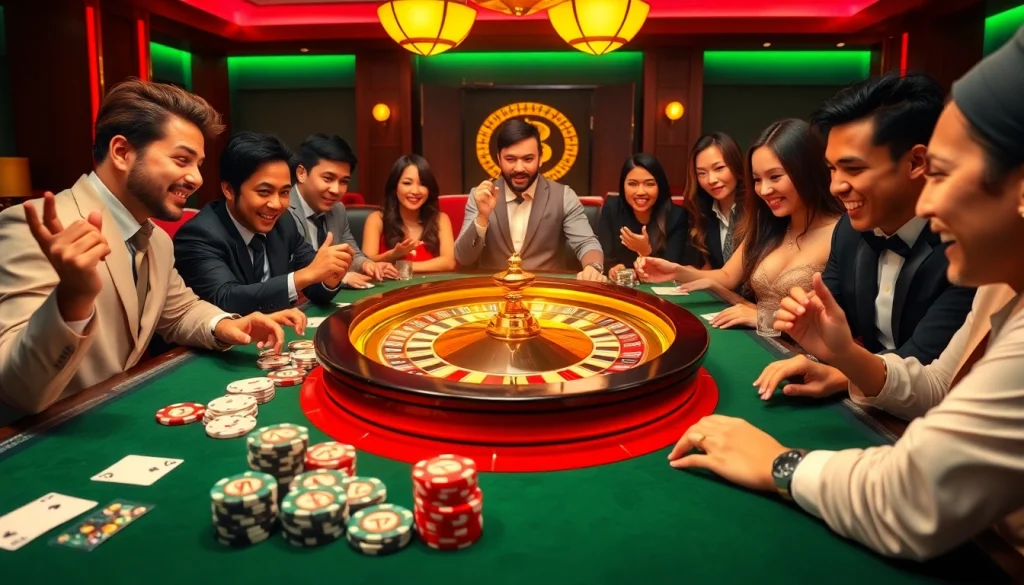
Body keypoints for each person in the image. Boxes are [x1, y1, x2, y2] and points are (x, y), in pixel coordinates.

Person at [667, 26, 1024, 561]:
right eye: (833, 169)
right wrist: (844, 359)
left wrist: (779, 463)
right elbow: (934, 386)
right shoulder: (996, 284)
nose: (928, 206)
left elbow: (912, 497)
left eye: (943, 174)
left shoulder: (976, 267)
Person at [0, 79, 285, 418]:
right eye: (182, 160)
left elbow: (178, 311)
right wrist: (72, 299)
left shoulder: (156, 239)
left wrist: (224, 325)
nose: (195, 178)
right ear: (122, 152)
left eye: (197, 164)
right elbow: (17, 390)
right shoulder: (36, 227)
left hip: (117, 420)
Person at [754, 72, 976, 401]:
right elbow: (828, 318)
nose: (836, 187)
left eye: (853, 169)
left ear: (917, 161)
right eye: (831, 169)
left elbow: (927, 366)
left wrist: (845, 374)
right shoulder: (849, 231)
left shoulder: (969, 248)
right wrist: (808, 332)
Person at [636, 119, 844, 330]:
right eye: (757, 179)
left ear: (807, 170)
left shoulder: (842, 233)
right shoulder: (767, 225)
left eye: (775, 176)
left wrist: (762, 317)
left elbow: (833, 327)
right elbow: (728, 275)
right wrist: (676, 271)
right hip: (761, 342)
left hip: (805, 357)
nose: (764, 190)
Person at [174, 132, 353, 315]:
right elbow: (226, 298)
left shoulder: (284, 222)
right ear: (229, 189)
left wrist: (331, 275)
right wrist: (304, 276)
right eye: (264, 192)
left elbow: (316, 287)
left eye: (284, 193)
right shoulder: (199, 234)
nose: (276, 205)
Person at [454, 120, 604, 280]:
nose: (519, 168)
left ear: (540, 158)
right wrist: (482, 217)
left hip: (546, 293)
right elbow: (463, 258)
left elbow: (586, 242)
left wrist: (593, 267)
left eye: (528, 159)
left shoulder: (564, 196)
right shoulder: (480, 196)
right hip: (494, 293)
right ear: (499, 159)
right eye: (510, 159)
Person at [286, 133, 398, 287]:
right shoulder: (281, 209)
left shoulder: (337, 209)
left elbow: (352, 254)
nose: (336, 190)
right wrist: (341, 278)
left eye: (343, 181)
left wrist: (367, 265)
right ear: (301, 173)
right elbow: (286, 274)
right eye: (328, 178)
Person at [598, 154, 702, 280]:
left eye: (649, 184)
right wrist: (614, 269)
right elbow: (605, 259)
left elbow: (671, 268)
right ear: (623, 186)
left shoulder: (676, 216)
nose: (641, 192)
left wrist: (645, 252)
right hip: (621, 291)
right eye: (632, 184)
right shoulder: (612, 208)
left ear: (660, 186)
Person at [361, 154, 456, 273]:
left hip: (431, 289)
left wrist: (405, 266)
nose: (415, 191)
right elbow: (365, 263)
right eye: (407, 183)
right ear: (395, 187)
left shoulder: (440, 219)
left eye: (422, 184)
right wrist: (393, 255)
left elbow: (449, 262)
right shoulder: (377, 219)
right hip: (388, 290)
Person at [682, 132, 746, 269]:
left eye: (719, 168)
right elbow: (710, 268)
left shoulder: (757, 210)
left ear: (736, 165)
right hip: (718, 289)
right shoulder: (703, 212)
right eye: (702, 173)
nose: (711, 180)